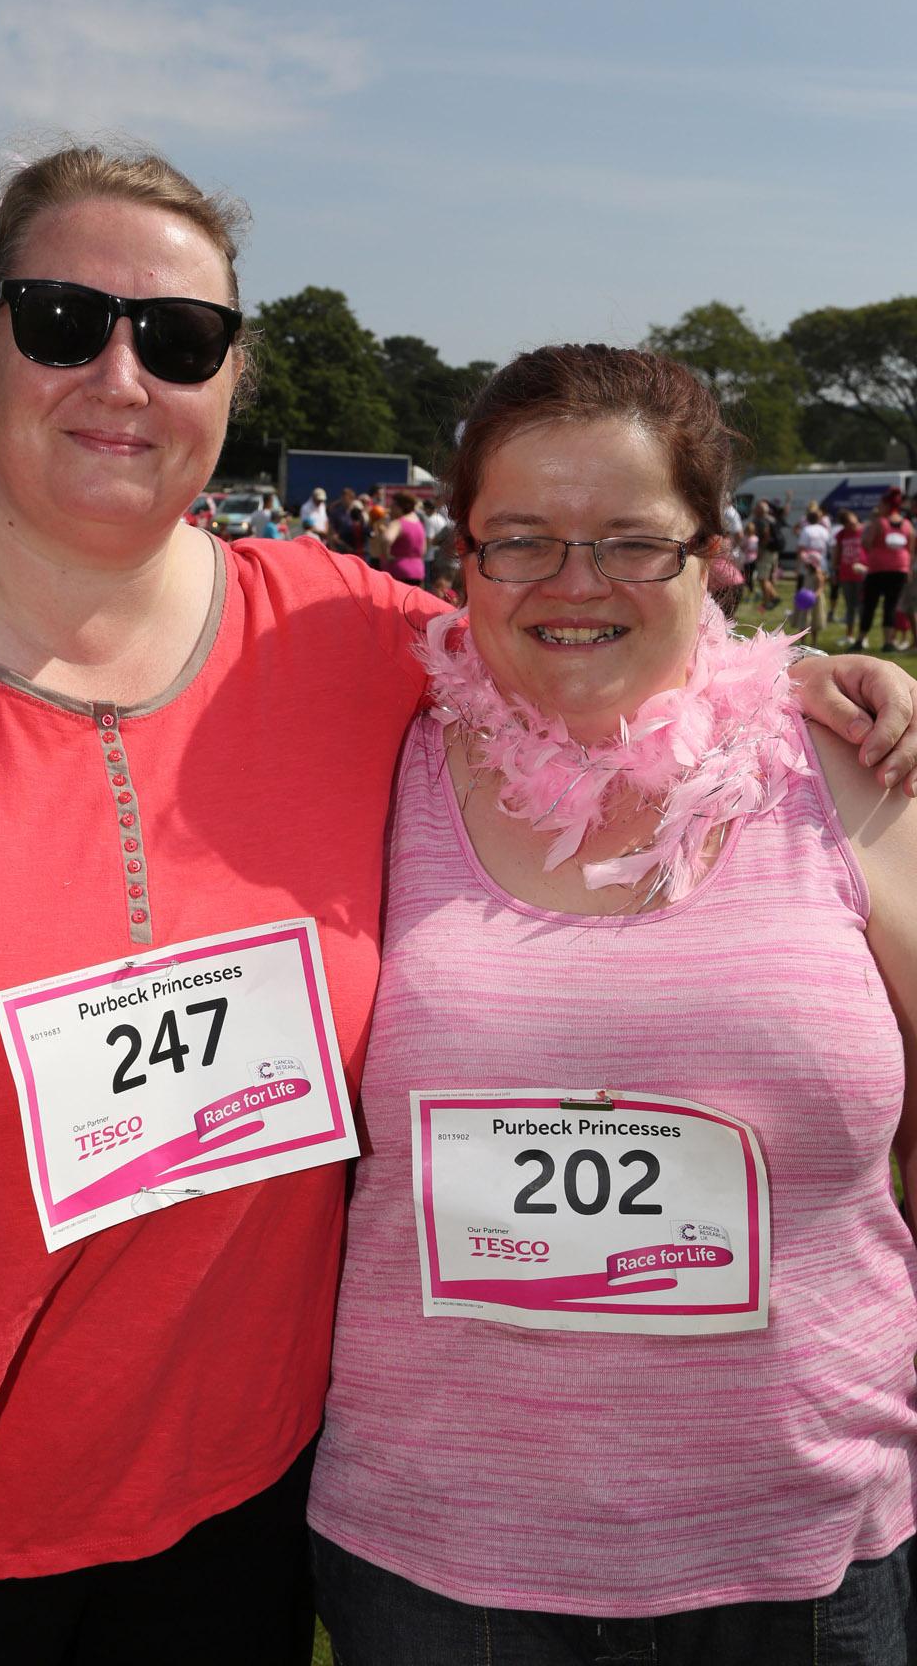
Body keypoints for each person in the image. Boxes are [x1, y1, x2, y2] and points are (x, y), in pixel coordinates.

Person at [0, 153, 914, 1665]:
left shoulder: (345, 636)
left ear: (231, 377)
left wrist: (799, 688)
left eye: (180, 339)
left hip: (248, 1514)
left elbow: (579, 626)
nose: (121, 375)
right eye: (65, 318)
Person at [308, 345, 917, 1665]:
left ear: (714, 555)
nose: (575, 587)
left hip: (802, 1553)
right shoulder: (364, 757)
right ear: (458, 556)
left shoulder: (853, 774)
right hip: (440, 1563)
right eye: (520, 540)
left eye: (633, 542)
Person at [856, 489, 913, 653]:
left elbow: (866, 541)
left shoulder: (880, 522)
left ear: (887, 505)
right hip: (899, 569)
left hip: (878, 569)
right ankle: (888, 641)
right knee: (891, 606)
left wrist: (876, 552)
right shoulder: (907, 524)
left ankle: (860, 639)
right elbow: (911, 548)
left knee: (870, 605)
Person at [833, 510, 869, 645]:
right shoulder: (841, 535)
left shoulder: (865, 530)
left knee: (862, 606)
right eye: (848, 524)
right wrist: (835, 571)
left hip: (862, 573)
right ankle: (849, 635)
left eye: (853, 521)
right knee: (850, 606)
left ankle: (863, 637)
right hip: (846, 574)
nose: (852, 525)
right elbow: (837, 552)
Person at [383, 491, 427, 584]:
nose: (390, 509)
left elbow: (387, 539)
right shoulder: (419, 524)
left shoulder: (398, 523)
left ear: (399, 507)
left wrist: (387, 556)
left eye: (392, 506)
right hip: (418, 571)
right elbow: (423, 550)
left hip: (399, 571)